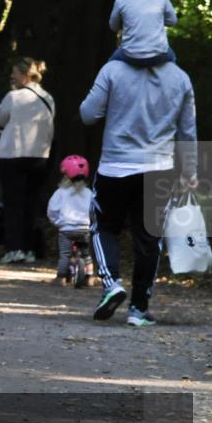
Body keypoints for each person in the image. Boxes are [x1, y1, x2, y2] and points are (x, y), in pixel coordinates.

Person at [80, 52, 197, 326]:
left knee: (104, 226)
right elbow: (187, 131)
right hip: (159, 168)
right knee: (149, 237)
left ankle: (111, 284)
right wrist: (191, 171)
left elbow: (88, 114)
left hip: (114, 167)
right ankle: (138, 309)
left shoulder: (112, 70)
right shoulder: (180, 78)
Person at [0, 57, 54, 264]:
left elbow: (0, 118)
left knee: (13, 203)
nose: (13, 77)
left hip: (13, 154)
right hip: (39, 155)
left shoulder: (13, 97)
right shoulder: (48, 98)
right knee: (31, 203)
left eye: (15, 73)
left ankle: (13, 248)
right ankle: (30, 249)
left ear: (25, 75)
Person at [47, 155, 96, 286]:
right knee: (86, 255)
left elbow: (52, 210)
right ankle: (89, 278)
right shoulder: (89, 193)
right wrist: (91, 222)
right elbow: (94, 211)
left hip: (66, 230)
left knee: (65, 254)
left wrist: (57, 222)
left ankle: (61, 278)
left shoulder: (61, 192)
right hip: (84, 229)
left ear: (65, 175)